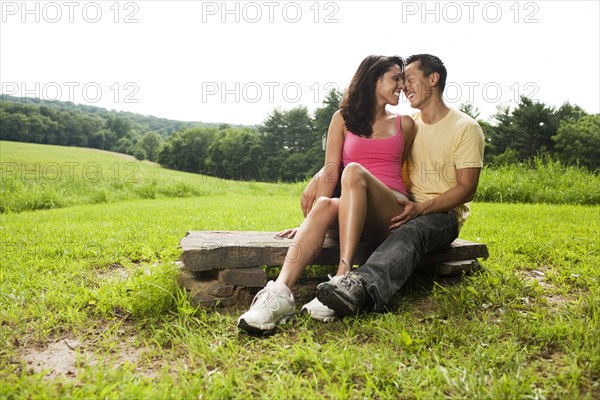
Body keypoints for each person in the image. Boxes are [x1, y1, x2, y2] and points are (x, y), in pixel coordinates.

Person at [237, 55, 415, 333]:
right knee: (323, 205)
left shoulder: (405, 124)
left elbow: (401, 170)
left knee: (354, 172)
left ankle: (342, 279)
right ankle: (279, 294)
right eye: (396, 78)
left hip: (390, 210)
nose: (401, 85)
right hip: (353, 207)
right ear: (374, 79)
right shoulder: (342, 119)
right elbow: (331, 171)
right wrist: (309, 225)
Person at [315, 54, 485, 315]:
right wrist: (318, 178)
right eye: (401, 81)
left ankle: (360, 287)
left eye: (410, 80)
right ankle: (345, 277)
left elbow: (467, 188)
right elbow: (368, 158)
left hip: (442, 215)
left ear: (434, 79)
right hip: (404, 207)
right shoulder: (409, 123)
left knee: (412, 231)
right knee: (403, 227)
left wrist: (420, 209)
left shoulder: (465, 128)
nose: (404, 87)